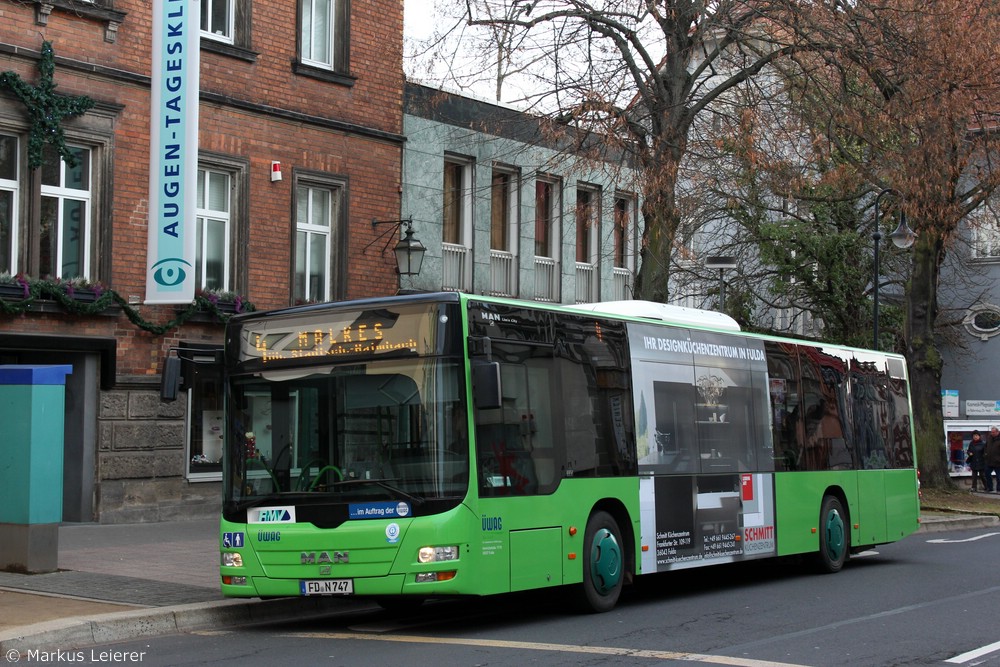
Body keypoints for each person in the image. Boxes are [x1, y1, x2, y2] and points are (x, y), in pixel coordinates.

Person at [984, 426, 1000, 493]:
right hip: (989, 461)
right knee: (987, 474)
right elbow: (985, 447)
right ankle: (990, 488)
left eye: (993, 432)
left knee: (999, 477)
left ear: (997, 432)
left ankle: (999, 489)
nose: (992, 433)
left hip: (998, 462)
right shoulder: (989, 438)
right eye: (991, 432)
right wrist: (985, 454)